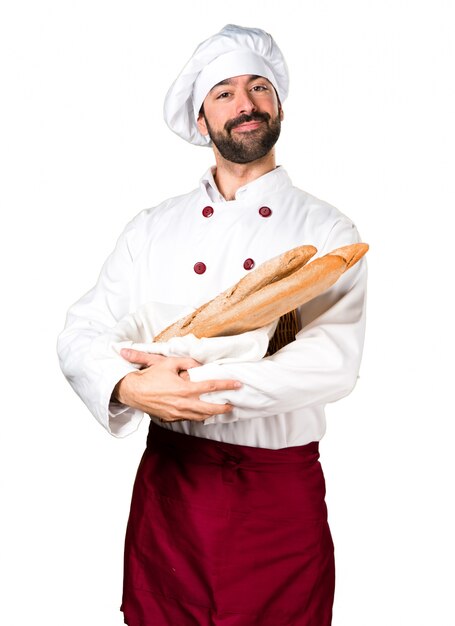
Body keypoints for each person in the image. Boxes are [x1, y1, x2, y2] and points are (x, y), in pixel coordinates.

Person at [58, 24, 367, 626]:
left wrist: (187, 385)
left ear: (278, 106)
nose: (245, 104)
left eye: (259, 88)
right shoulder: (152, 226)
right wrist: (126, 386)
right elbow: (84, 330)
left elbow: (332, 361)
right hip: (172, 485)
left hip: (277, 494)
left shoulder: (329, 231)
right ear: (202, 121)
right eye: (224, 93)